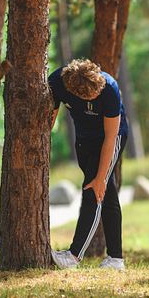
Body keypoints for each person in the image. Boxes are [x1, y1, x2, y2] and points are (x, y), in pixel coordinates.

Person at [47, 59, 129, 270]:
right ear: (75, 92)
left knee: (94, 188)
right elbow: (49, 120)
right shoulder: (57, 82)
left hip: (111, 138)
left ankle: (73, 256)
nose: (96, 97)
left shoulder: (108, 88)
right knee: (106, 194)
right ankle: (116, 259)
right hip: (84, 138)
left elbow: (111, 137)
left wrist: (101, 177)